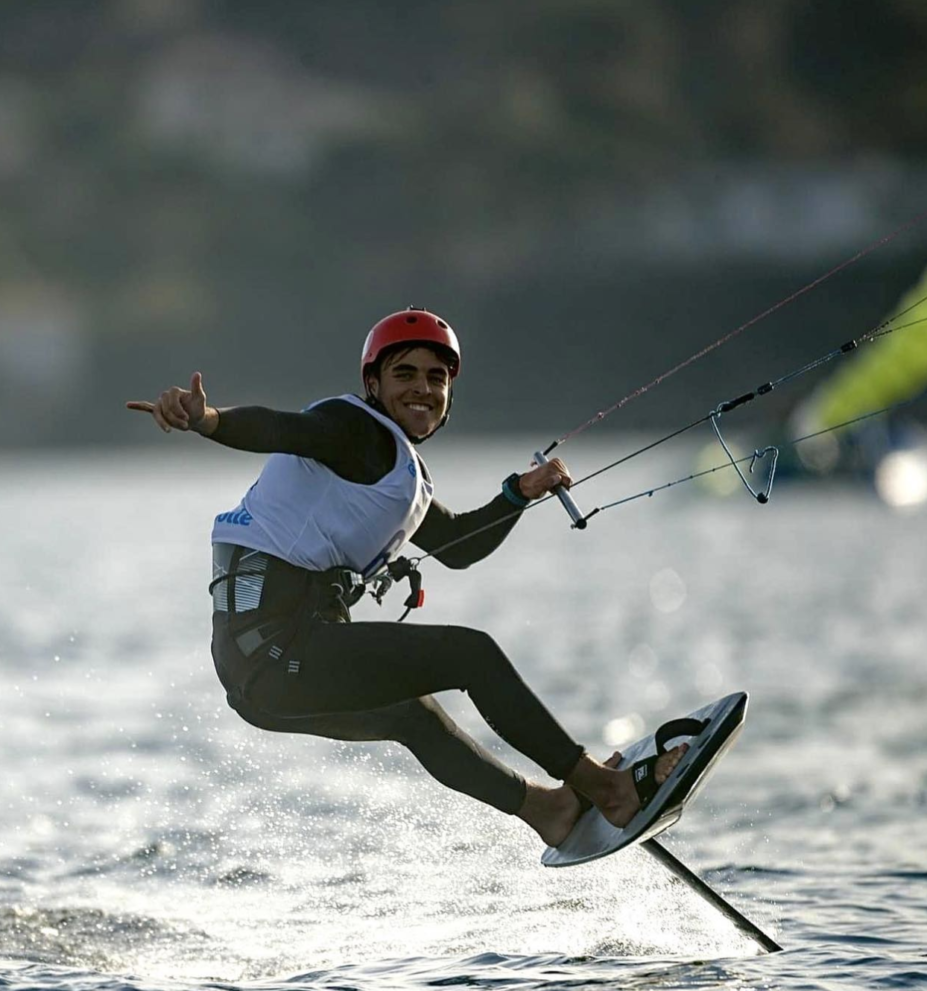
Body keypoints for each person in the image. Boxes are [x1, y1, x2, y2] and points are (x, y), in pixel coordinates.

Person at [127, 307, 686, 847]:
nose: (423, 387)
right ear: (373, 384)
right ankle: (604, 790)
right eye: (405, 374)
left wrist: (517, 494)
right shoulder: (350, 430)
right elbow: (282, 429)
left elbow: (457, 546)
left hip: (260, 675)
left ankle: (552, 810)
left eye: (436, 377)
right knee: (472, 655)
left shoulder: (391, 470)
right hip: (273, 648)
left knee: (413, 716)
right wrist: (208, 420)